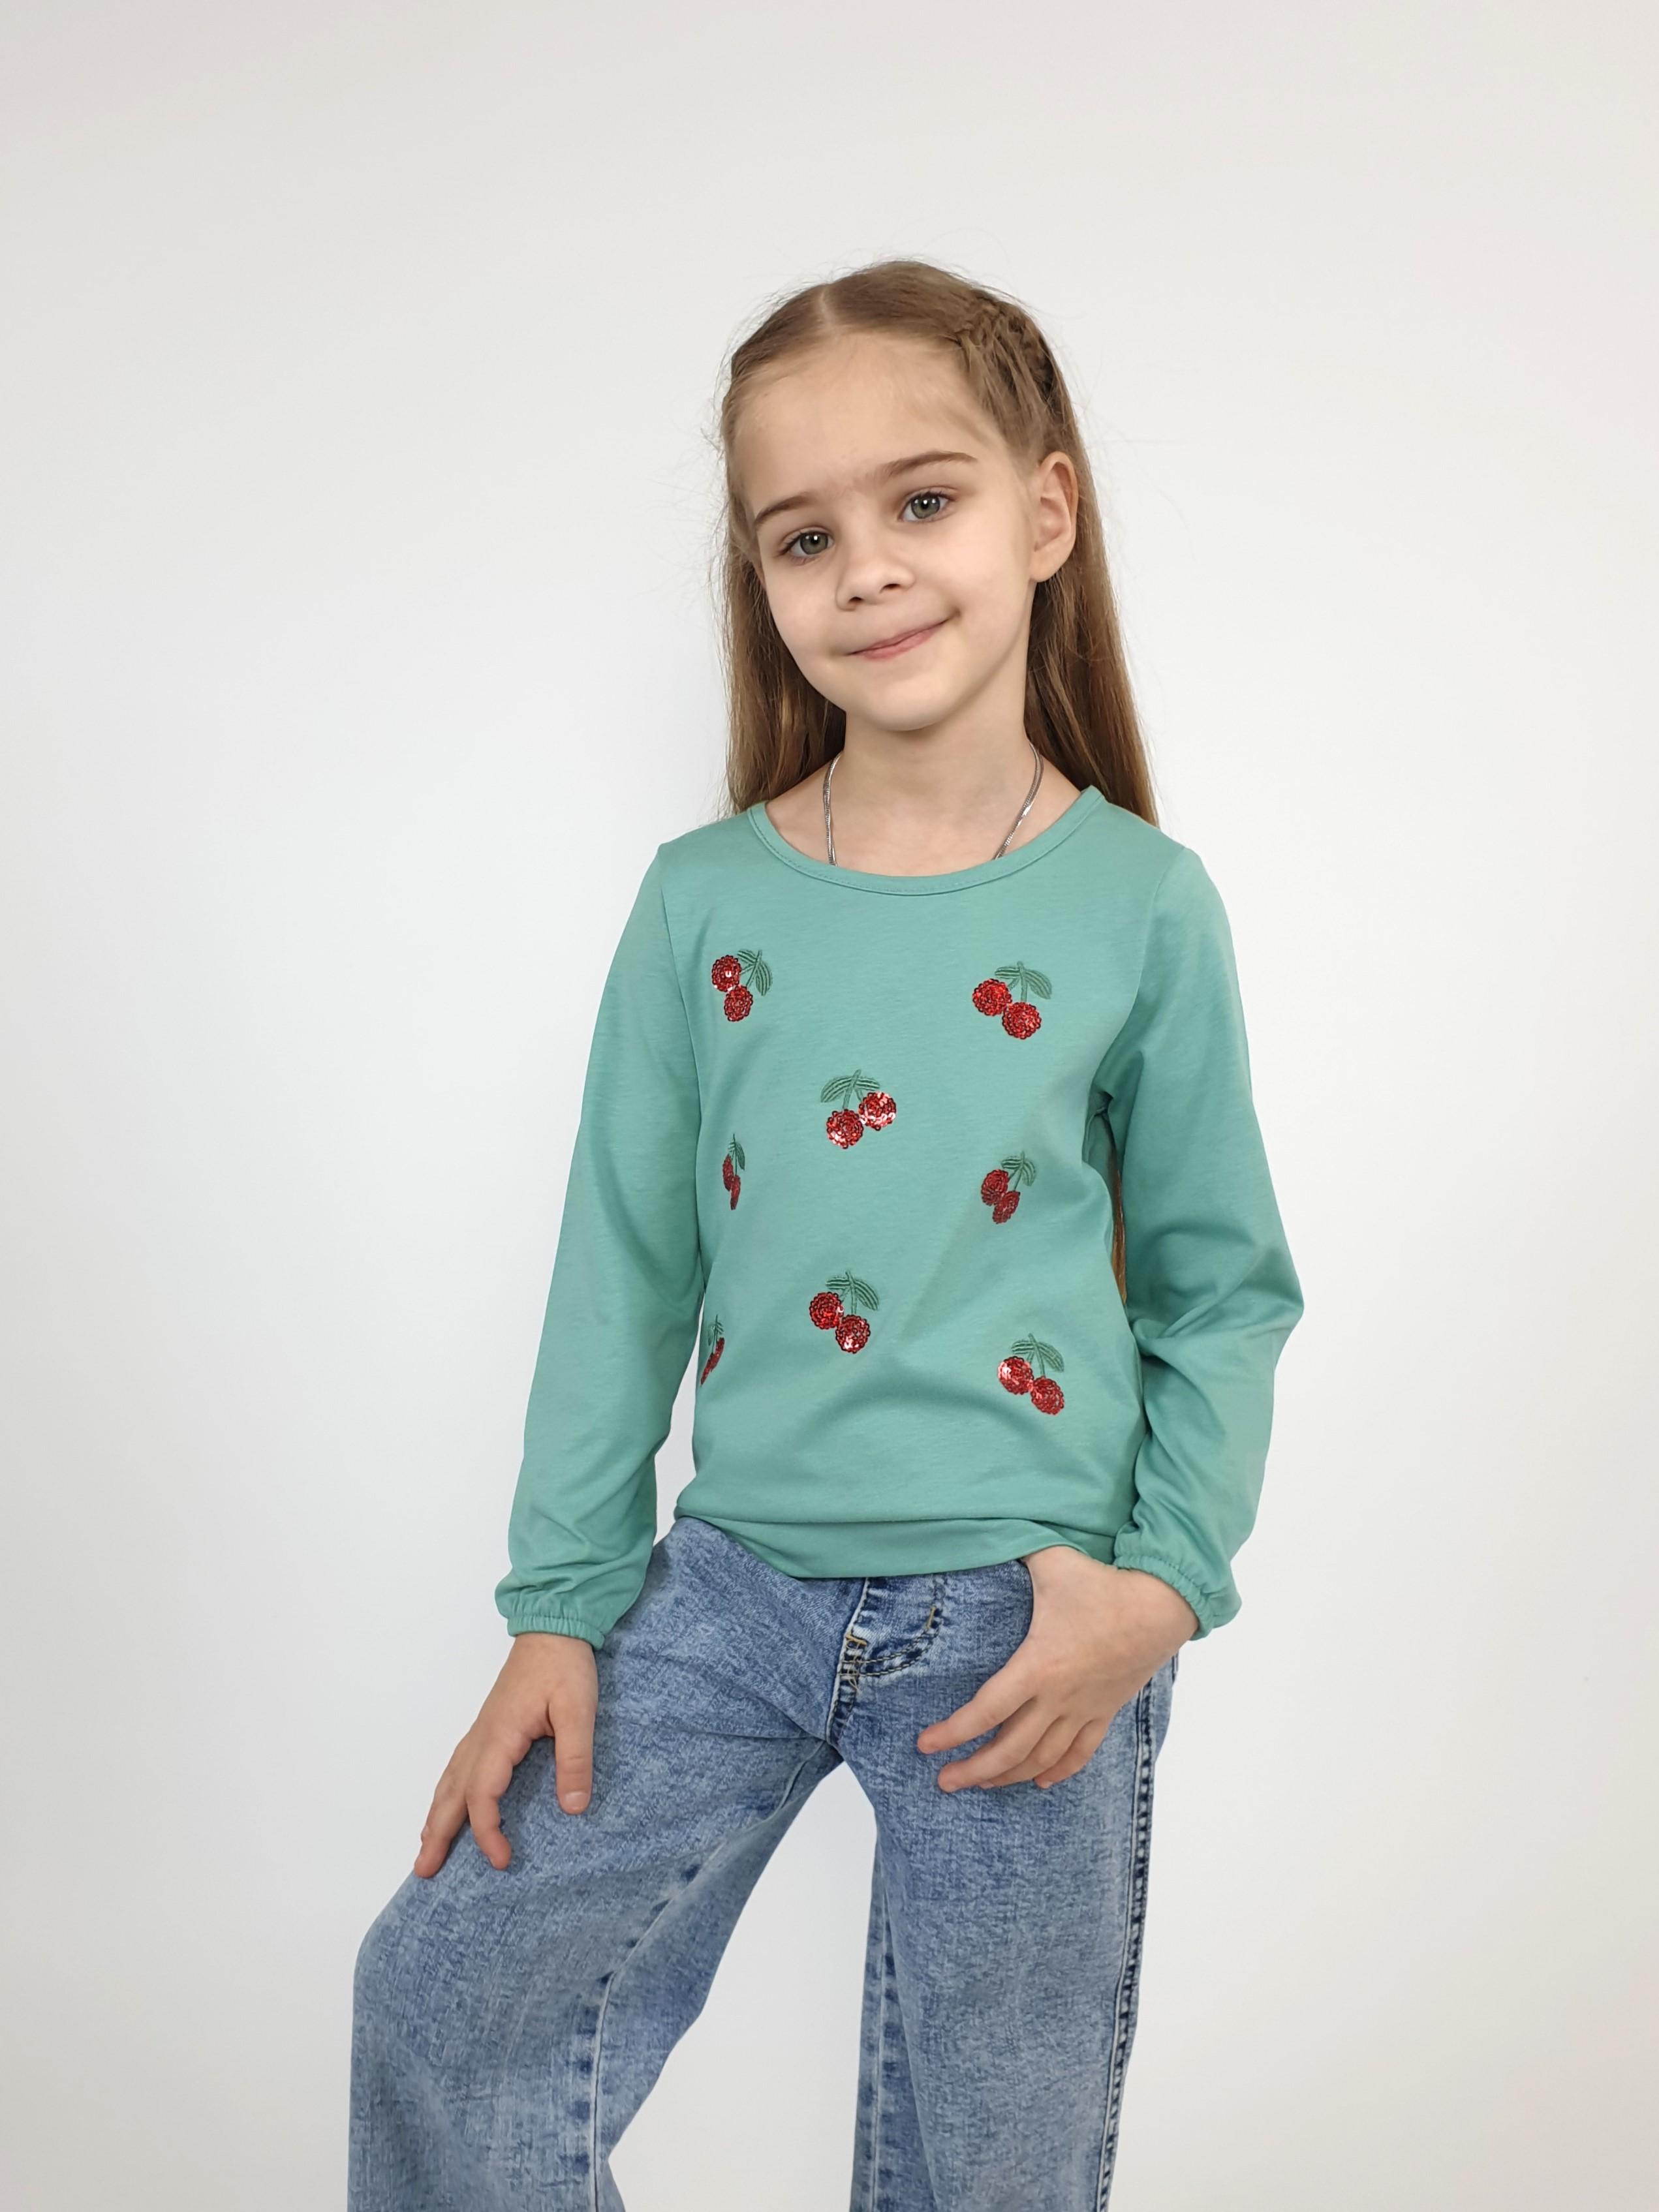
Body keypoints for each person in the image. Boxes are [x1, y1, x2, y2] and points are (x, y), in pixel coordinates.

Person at [349, 256, 1303, 2211]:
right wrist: (558, 1606)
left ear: (1046, 512)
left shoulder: (1143, 904)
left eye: (922, 501)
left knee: (989, 2162)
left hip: (1030, 1617)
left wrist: (1162, 1587)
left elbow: (1223, 1287)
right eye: (804, 535)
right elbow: (622, 1268)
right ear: (762, 579)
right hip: (731, 1593)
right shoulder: (702, 902)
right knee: (445, 2004)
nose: (867, 569)